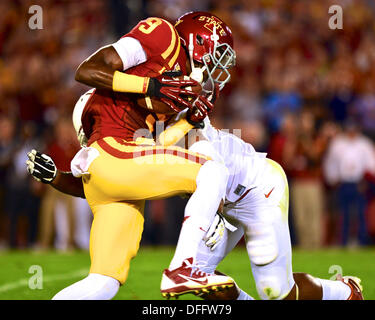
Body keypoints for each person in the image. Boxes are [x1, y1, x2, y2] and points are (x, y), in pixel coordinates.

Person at [26, 11, 237, 300]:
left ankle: (198, 246)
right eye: (217, 53)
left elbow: (149, 148)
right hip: (116, 151)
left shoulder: (177, 86)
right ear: (198, 40)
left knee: (103, 283)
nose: (216, 64)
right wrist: (150, 86)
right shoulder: (163, 36)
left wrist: (188, 122)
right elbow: (86, 71)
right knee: (213, 170)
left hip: (116, 175)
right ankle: (184, 268)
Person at [160, 111, 363, 300]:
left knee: (275, 291)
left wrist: (213, 211)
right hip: (227, 198)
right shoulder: (154, 133)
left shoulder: (191, 138)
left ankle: (345, 291)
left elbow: (214, 172)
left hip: (258, 190)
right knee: (196, 275)